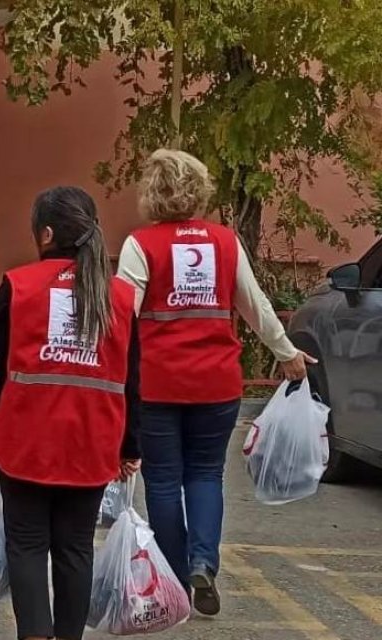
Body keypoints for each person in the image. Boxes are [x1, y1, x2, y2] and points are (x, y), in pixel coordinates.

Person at [117, 148, 315, 616]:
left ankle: (172, 576)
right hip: (217, 382)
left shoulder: (140, 245)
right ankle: (202, 561)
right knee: (206, 474)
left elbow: (122, 315)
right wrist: (286, 353)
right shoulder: (225, 242)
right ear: (199, 191)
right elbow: (254, 304)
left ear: (152, 193)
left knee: (163, 480)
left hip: (158, 384)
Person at [0, 186, 141, 640]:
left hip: (24, 440)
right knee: (76, 548)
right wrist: (130, 447)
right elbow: (131, 378)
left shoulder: (19, 286)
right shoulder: (119, 297)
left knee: (26, 544)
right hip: (93, 441)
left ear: (45, 234)